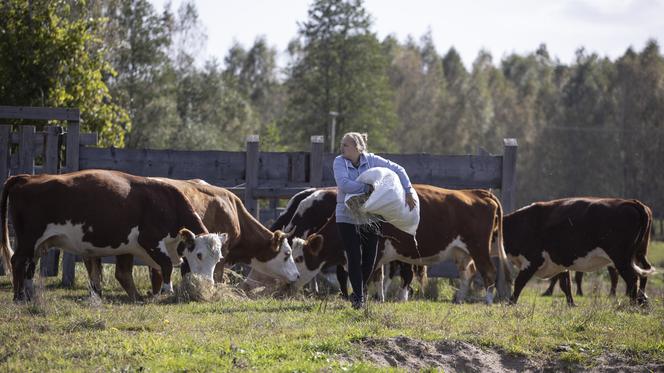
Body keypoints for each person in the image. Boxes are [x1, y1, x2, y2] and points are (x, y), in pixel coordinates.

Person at [333, 132, 416, 309]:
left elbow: (399, 169)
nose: (342, 148)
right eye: (342, 144)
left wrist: (408, 191)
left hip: (371, 215)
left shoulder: (372, 160)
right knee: (354, 257)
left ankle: (359, 290)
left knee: (370, 258)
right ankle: (359, 299)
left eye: (346, 145)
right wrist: (369, 187)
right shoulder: (339, 161)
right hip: (346, 215)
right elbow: (344, 184)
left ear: (357, 147)